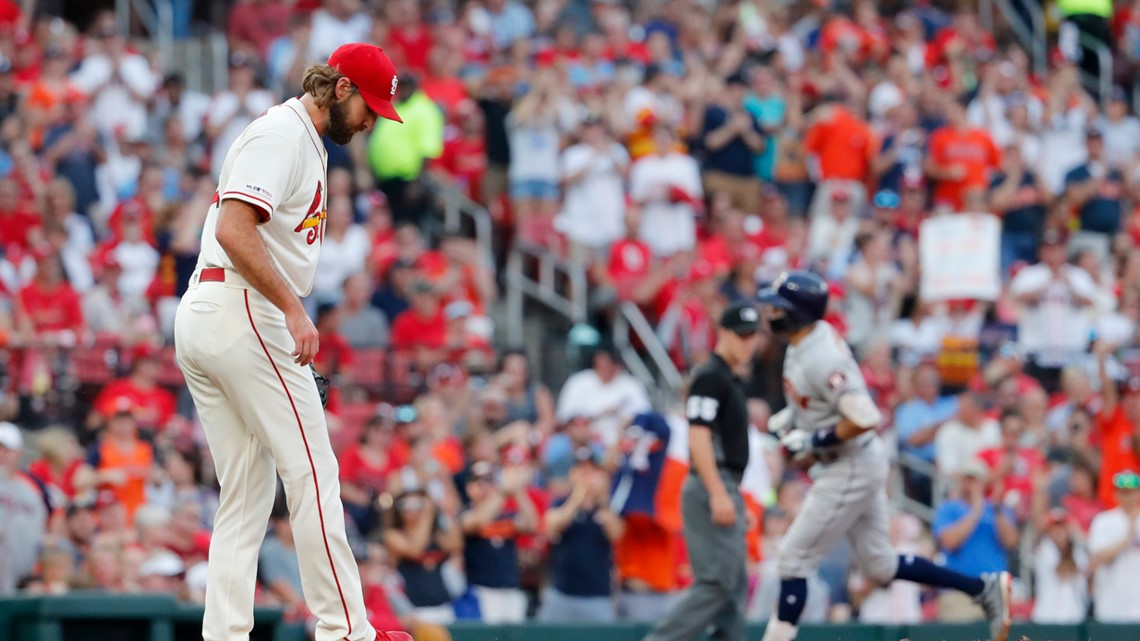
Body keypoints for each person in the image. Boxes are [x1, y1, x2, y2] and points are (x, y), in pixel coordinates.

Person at [172, 42, 410, 641]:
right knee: (312, 471)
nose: (369, 123)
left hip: (218, 312)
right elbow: (232, 227)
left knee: (247, 495)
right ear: (342, 88)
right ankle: (348, 631)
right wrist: (290, 311)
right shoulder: (282, 135)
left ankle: (224, 634)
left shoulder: (305, 140)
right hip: (243, 309)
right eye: (369, 109)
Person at [756, 270, 1011, 641]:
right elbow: (812, 400)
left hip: (850, 465)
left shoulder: (822, 356)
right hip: (854, 461)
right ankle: (981, 588)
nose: (771, 314)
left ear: (797, 314)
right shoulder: (806, 340)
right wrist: (788, 422)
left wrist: (812, 441)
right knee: (880, 564)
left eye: (779, 308)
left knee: (793, 561)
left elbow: (865, 416)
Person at [639, 300, 760, 641]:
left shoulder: (729, 380)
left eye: (752, 335)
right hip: (710, 484)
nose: (748, 342)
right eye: (741, 335)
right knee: (717, 583)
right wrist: (719, 492)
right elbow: (698, 435)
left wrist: (734, 496)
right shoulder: (710, 377)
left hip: (725, 484)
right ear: (722, 333)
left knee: (734, 589)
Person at [539, 447, 625, 622]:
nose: (587, 476)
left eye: (592, 470)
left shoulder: (607, 506)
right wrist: (577, 499)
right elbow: (552, 526)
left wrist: (602, 501)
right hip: (562, 593)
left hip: (597, 596)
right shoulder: (561, 502)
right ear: (572, 474)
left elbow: (617, 534)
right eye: (581, 470)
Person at [1089, 469, 1140, 622]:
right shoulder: (1104, 520)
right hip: (1112, 605)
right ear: (1115, 494)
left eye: (1131, 492)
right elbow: (1099, 556)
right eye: (1123, 492)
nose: (1128, 497)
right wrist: (1127, 537)